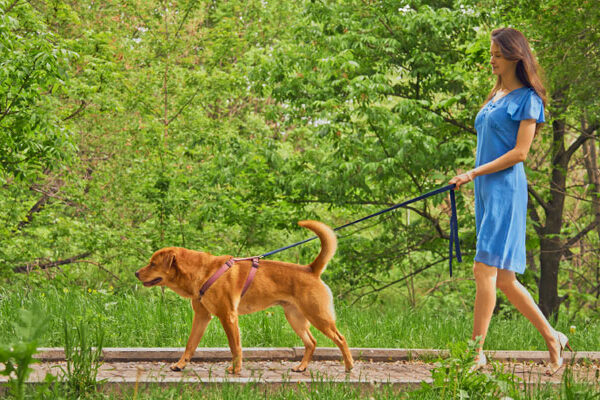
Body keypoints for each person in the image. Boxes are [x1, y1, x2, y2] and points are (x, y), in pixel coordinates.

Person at [449, 27, 571, 375]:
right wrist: (473, 178)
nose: (492, 59)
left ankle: (476, 353)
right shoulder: (498, 93)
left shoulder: (527, 100)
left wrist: (472, 173)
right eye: (491, 53)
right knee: (504, 280)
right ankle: (552, 337)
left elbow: (519, 153)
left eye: (498, 55)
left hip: (504, 190)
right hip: (485, 190)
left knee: (483, 270)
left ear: (516, 57)